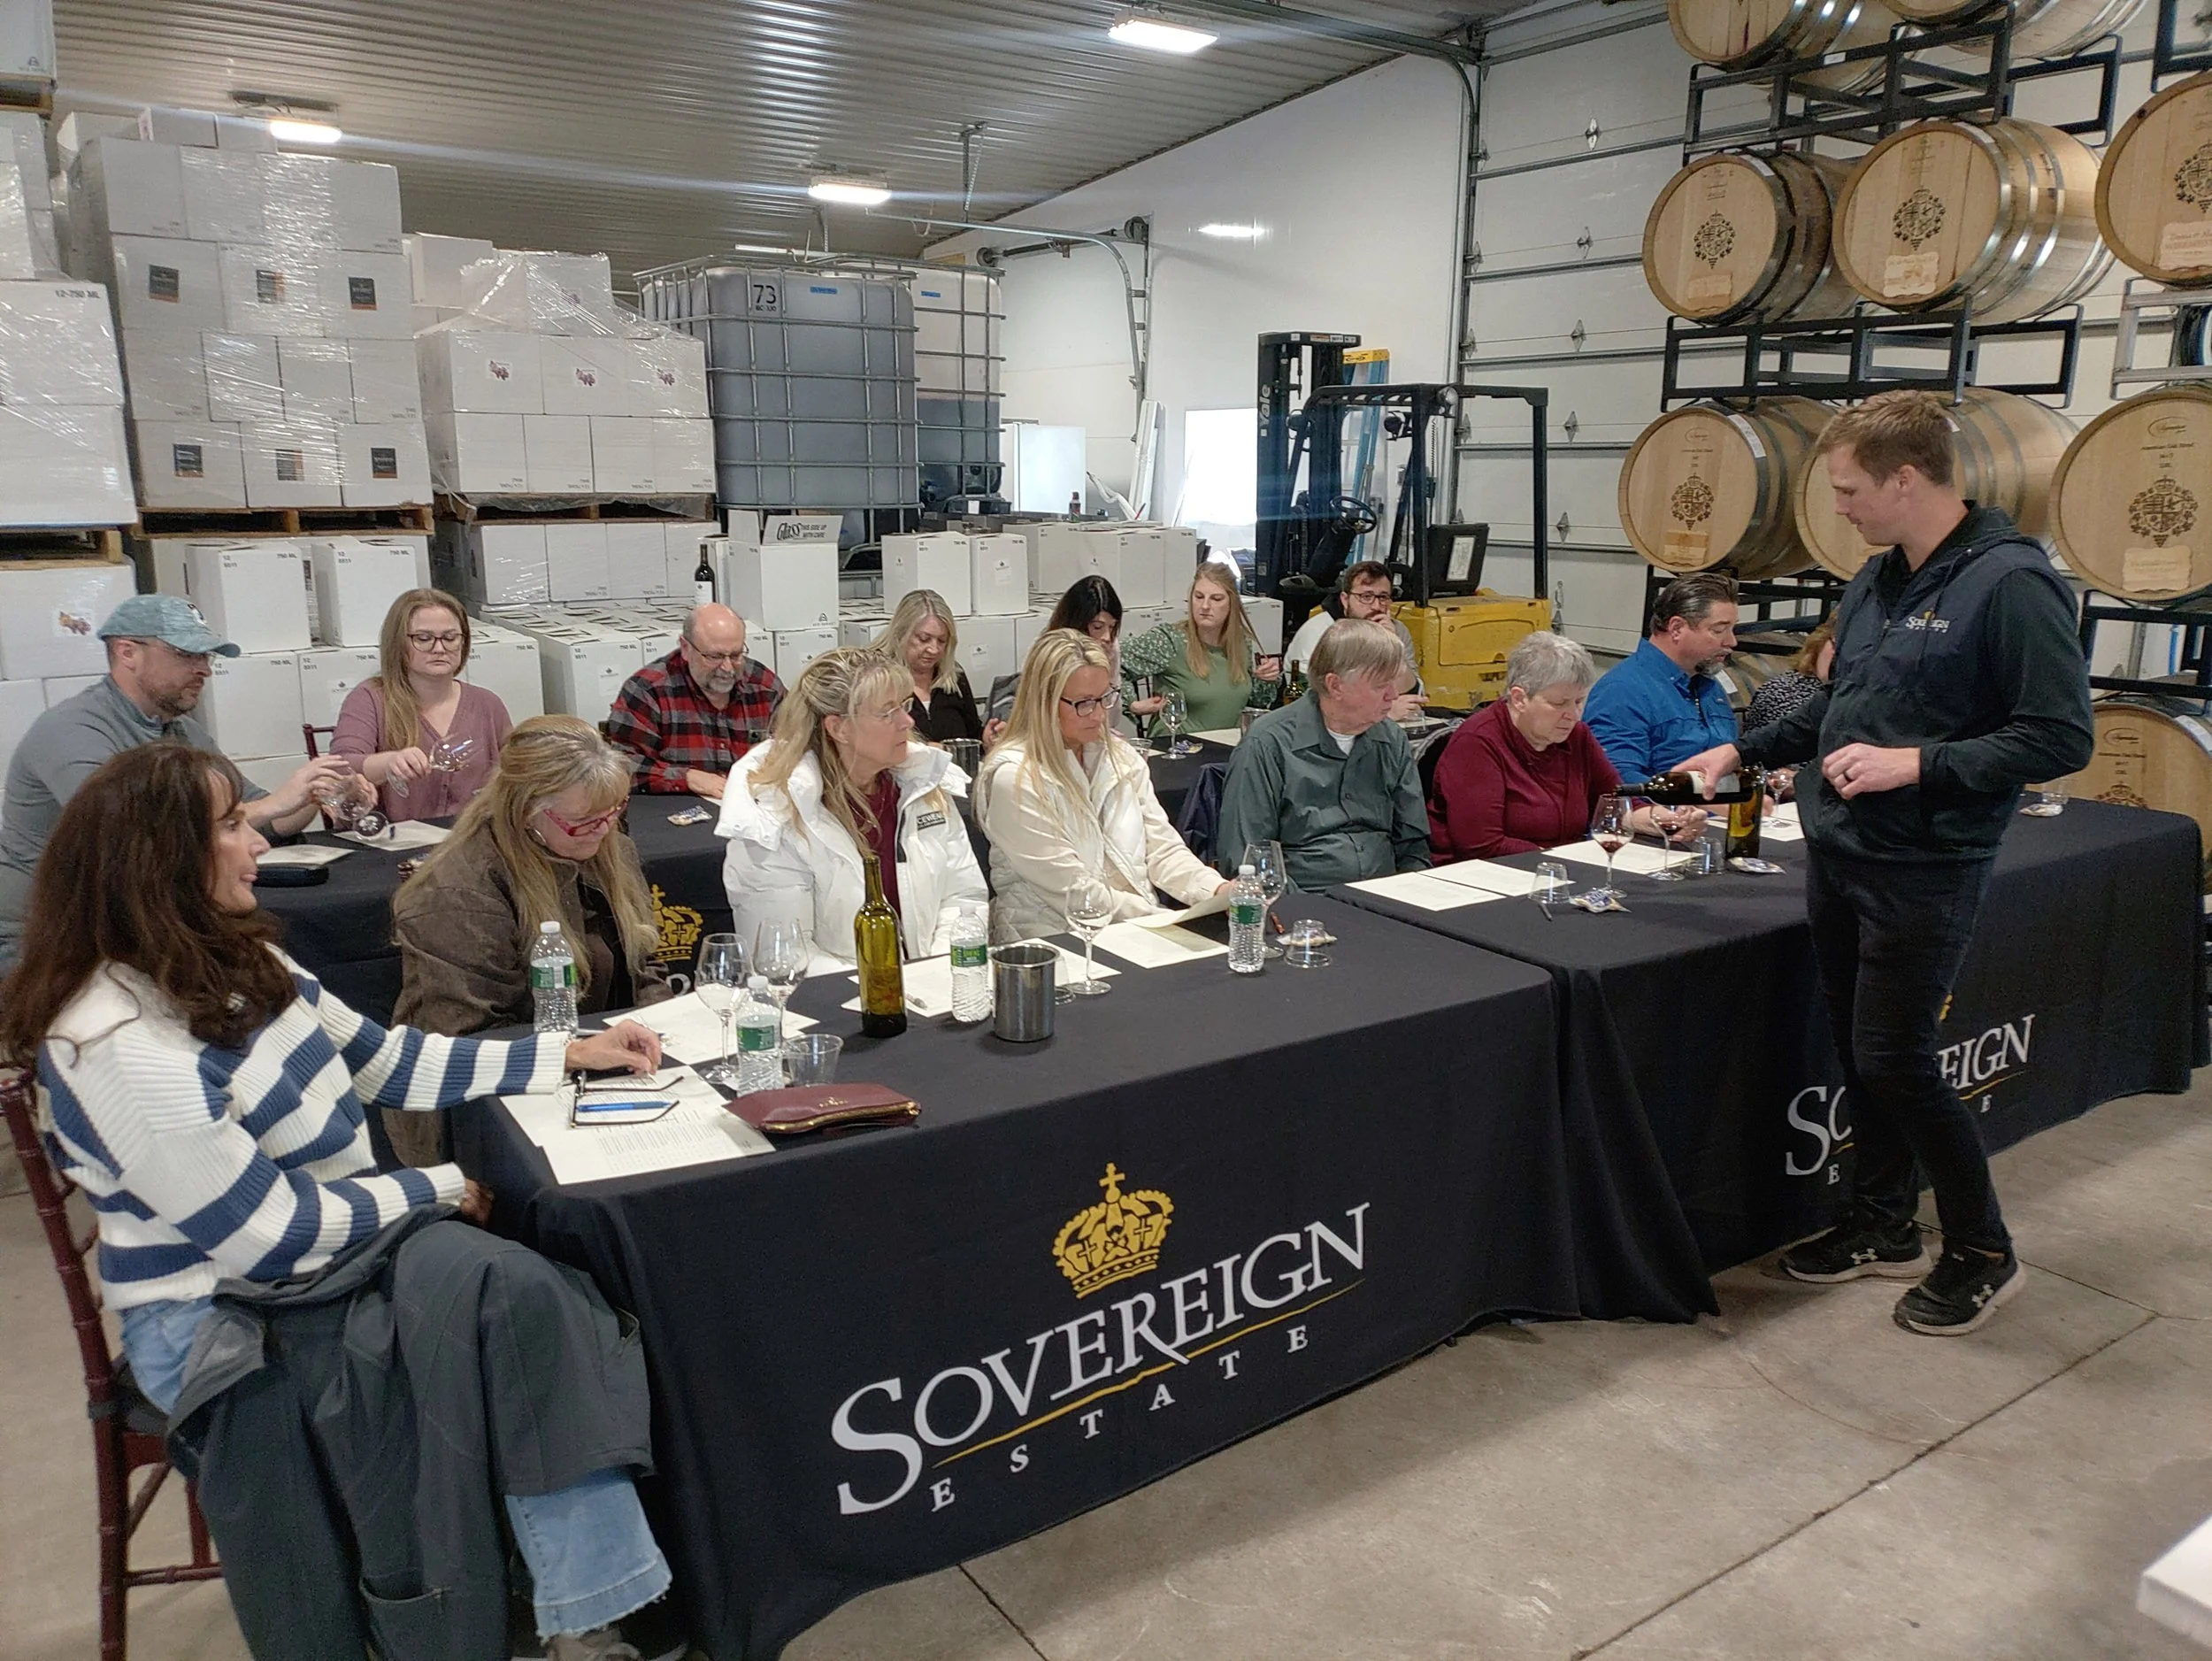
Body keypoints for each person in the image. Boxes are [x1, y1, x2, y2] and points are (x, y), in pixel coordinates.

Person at [0, 742, 681, 1660]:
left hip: (336, 1257)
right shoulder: (117, 1039)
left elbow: (392, 1059)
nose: (258, 841)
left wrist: (560, 1053)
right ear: (161, 863)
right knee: (515, 1315)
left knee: (530, 1299)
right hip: (217, 1320)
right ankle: (554, 1612)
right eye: (233, 824)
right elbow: (265, 1238)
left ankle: (571, 1607)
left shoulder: (240, 964)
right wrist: (434, 1187)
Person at [1675, 390, 2093, 1336]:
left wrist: (1921, 763)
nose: (1842, 505)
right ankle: (1881, 1222)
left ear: (1908, 479)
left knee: (1896, 1057)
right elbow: (1840, 708)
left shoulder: (2010, 584)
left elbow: (2059, 734)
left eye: (1852, 487)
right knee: (1860, 1053)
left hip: (1926, 862)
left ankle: (1983, 1249)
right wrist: (1741, 751)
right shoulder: (1874, 580)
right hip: (1842, 850)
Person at [0, 594, 363, 970]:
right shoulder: (72, 729)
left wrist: (314, 793)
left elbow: (264, 819)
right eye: (187, 655)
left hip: (132, 926)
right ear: (128, 653)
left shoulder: (181, 730)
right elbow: (137, 832)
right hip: (45, 940)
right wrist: (271, 804)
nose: (204, 669)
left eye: (206, 656)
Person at [395, 713, 670, 1042]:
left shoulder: (612, 848)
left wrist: (661, 1031)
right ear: (525, 811)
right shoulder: (458, 890)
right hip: (504, 1065)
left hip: (600, 1051)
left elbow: (644, 965)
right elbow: (469, 1034)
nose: (604, 830)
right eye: (582, 820)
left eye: (614, 810)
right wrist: (580, 1055)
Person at [717, 648, 987, 966]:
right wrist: (885, 992)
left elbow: (963, 898)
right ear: (838, 728)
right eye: (888, 713)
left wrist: (936, 973)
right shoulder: (774, 816)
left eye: (905, 705)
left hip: (930, 993)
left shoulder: (923, 786)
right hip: (836, 1006)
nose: (908, 721)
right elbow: (784, 954)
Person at [975, 629, 1233, 943]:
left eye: (1105, 698)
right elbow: (1073, 891)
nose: (1099, 714)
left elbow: (1162, 849)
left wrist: (1217, 890)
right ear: (1044, 702)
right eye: (1084, 703)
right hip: (1052, 943)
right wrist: (1166, 921)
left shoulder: (1119, 756)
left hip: (1131, 930)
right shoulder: (1013, 778)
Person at [1427, 631, 1698, 859]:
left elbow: (1614, 804)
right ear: (1520, 698)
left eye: (1579, 702)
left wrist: (1662, 819)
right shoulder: (1477, 743)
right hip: (1487, 877)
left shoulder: (1577, 736)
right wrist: (1564, 861)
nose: (1573, 714)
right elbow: (1481, 844)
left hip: (1558, 868)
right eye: (1559, 704)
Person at [1213, 619, 1431, 888]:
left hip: (1384, 897)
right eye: (1380, 685)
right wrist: (1302, 909)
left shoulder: (1390, 738)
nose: (1393, 695)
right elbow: (1248, 860)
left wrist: (1408, 895)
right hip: (1305, 903)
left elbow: (1413, 844)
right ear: (1335, 685)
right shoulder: (1268, 743)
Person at [332, 587, 511, 822]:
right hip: (392, 844)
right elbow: (339, 769)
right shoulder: (370, 698)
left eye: (450, 638)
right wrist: (389, 762)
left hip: (472, 840)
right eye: (423, 639)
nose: (439, 648)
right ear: (398, 643)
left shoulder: (488, 704)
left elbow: (515, 770)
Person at [606, 603, 783, 800]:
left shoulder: (765, 686)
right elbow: (620, 768)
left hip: (753, 804)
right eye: (714, 656)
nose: (727, 668)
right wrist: (688, 777)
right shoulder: (648, 691)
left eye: (735, 655)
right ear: (685, 648)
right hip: (677, 809)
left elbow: (800, 746)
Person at [1584, 571, 1741, 781]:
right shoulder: (1622, 692)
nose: (1732, 641)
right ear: (1676, 628)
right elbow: (1617, 781)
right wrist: (1700, 807)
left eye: (1732, 629)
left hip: (1722, 806)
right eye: (1719, 630)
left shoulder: (1709, 686)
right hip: (1667, 811)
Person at [1119, 562, 1282, 735]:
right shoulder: (1169, 641)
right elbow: (1108, 662)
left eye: (1216, 599)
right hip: (1179, 750)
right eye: (1198, 597)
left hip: (1228, 747)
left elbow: (1255, 703)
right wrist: (1132, 704)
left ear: (1231, 603)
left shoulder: (1241, 643)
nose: (1205, 606)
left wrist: (1266, 679)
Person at [1283, 560, 1425, 720]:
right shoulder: (1320, 632)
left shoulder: (1396, 630)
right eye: (1366, 597)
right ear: (1345, 599)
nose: (1376, 606)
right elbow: (1314, 702)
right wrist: (1384, 714)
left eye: (1383, 597)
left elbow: (1414, 694)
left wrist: (1393, 648)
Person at [876, 588, 1002, 747]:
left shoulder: (955, 677)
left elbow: (972, 736)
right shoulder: (878, 679)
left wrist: (986, 741)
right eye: (924, 639)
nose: (934, 649)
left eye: (942, 641)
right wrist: (928, 751)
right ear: (900, 634)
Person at [1743, 619, 1836, 739]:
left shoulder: (1858, 695)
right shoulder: (1783, 693)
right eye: (1835, 645)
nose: (1839, 654)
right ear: (1820, 641)